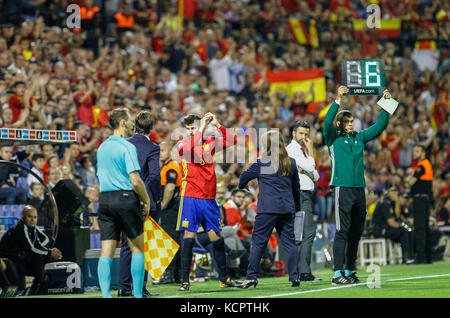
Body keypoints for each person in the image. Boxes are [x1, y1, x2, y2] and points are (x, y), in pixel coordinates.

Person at [323, 86, 390, 285]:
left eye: (352, 121)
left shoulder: (359, 138)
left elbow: (379, 127)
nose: (351, 124)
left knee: (355, 232)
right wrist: (338, 99)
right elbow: (327, 122)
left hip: (359, 189)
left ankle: (350, 271)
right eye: (346, 122)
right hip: (341, 188)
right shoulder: (332, 138)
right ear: (340, 124)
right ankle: (337, 274)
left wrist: (386, 104)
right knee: (342, 231)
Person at [176, 112, 237, 291]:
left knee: (216, 237)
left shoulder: (210, 143)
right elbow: (190, 146)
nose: (190, 131)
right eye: (188, 129)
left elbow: (232, 140)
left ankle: (224, 278)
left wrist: (217, 125)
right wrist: (200, 129)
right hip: (190, 197)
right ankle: (184, 280)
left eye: (192, 127)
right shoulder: (182, 144)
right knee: (188, 236)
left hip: (208, 198)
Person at [96, 108, 150, 298]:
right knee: (137, 248)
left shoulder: (101, 147)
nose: (132, 124)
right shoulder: (127, 147)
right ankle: (137, 294)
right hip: (125, 199)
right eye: (129, 121)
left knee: (106, 251)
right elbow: (135, 180)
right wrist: (146, 199)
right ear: (122, 123)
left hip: (104, 201)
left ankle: (105, 295)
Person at [237, 130, 301, 289]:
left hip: (268, 208)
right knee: (290, 243)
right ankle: (295, 277)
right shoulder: (291, 162)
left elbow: (243, 177)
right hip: (287, 208)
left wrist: (242, 187)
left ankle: (251, 276)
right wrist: (296, 209)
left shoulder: (262, 162)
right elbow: (296, 189)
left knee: (258, 242)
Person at [118, 110, 161, 298]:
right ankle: (140, 288)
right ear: (151, 128)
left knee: (127, 245)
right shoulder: (152, 148)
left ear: (134, 125)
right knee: (144, 245)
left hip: (124, 198)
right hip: (145, 200)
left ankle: (123, 287)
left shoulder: (124, 144)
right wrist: (154, 198)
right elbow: (154, 175)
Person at [286, 120, 321, 282]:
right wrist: (311, 155)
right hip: (300, 194)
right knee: (308, 232)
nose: (304, 137)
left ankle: (298, 272)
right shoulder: (292, 150)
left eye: (306, 134)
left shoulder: (302, 151)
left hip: (305, 194)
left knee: (301, 233)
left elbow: (316, 175)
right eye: (301, 133)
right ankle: (304, 272)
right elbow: (309, 168)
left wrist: (308, 169)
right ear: (294, 134)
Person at [0, 205, 63, 295]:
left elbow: (39, 244)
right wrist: (49, 252)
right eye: (29, 216)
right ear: (23, 217)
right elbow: (31, 248)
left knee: (41, 257)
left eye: (35, 217)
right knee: (38, 256)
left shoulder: (32, 229)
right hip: (7, 262)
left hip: (17, 262)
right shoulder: (20, 228)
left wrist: (51, 251)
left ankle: (39, 285)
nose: (33, 220)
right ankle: (35, 286)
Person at [153, 141, 182, 284]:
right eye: (159, 151)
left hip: (171, 209)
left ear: (170, 152)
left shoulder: (171, 167)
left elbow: (170, 188)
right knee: (174, 240)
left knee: (170, 241)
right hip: (174, 209)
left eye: (163, 150)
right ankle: (177, 275)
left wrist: (162, 206)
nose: (160, 153)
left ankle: (169, 275)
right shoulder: (165, 166)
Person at [406, 144, 434, 264]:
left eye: (417, 151)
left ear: (423, 153)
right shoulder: (425, 165)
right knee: (425, 228)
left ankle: (421, 257)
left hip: (420, 200)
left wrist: (409, 177)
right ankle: (427, 257)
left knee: (420, 228)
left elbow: (410, 182)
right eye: (414, 151)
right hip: (425, 199)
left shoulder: (421, 165)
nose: (414, 153)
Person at [372, 186, 415, 264]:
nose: (395, 193)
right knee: (403, 231)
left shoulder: (393, 202)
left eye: (396, 191)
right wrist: (402, 225)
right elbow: (391, 222)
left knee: (409, 230)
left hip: (388, 229)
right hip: (380, 230)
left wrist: (397, 202)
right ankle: (405, 257)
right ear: (388, 193)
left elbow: (397, 216)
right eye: (393, 191)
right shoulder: (384, 202)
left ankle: (410, 255)